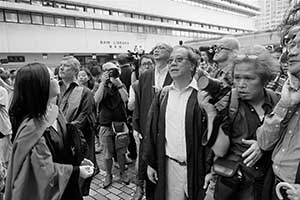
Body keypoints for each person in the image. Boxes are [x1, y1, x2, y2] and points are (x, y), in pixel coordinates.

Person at [200, 46, 280, 200]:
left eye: (249, 78)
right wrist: (211, 113)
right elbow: (220, 151)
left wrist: (262, 145)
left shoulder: (276, 101)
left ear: (264, 79)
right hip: (233, 187)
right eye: (237, 78)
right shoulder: (229, 102)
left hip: (266, 185)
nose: (241, 84)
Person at [5, 63, 94, 200]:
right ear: (39, 86)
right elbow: (42, 172)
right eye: (52, 77)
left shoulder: (54, 111)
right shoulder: (32, 129)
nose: (57, 79)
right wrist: (76, 171)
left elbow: (63, 147)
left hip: (68, 185)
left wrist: (77, 161)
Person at [144, 45, 212, 200]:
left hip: (197, 169)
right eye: (170, 61)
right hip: (170, 167)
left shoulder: (203, 96)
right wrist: (151, 163)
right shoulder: (163, 95)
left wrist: (210, 170)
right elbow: (152, 132)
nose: (173, 64)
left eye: (179, 60)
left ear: (193, 65)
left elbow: (210, 137)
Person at [256, 14, 300, 200]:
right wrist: (284, 105)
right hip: (274, 186)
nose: (291, 52)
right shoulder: (289, 93)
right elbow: (264, 142)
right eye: (290, 44)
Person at [132, 43, 173, 200]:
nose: (157, 49)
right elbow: (139, 103)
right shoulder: (145, 75)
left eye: (162, 48)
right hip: (146, 127)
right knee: (146, 160)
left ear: (170, 54)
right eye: (155, 48)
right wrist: (136, 126)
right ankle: (145, 191)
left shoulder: (175, 73)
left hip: (167, 126)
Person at [57, 56, 97, 196]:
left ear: (75, 71)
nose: (61, 68)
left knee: (77, 179)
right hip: (57, 140)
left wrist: (65, 129)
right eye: (61, 65)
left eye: (66, 66)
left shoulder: (84, 91)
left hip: (75, 140)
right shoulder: (55, 88)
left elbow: (85, 117)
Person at [94, 61, 130, 188]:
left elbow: (126, 99)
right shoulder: (100, 84)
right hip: (105, 123)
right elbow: (96, 100)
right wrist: (103, 83)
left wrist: (119, 85)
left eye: (112, 70)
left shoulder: (121, 84)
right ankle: (108, 175)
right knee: (107, 153)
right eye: (107, 70)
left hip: (120, 122)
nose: (110, 72)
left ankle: (123, 173)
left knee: (121, 151)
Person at [128, 54, 155, 200]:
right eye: (144, 64)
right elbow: (130, 106)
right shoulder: (136, 85)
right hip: (140, 126)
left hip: (157, 127)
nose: (147, 66)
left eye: (150, 64)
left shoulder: (159, 82)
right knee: (141, 157)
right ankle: (139, 186)